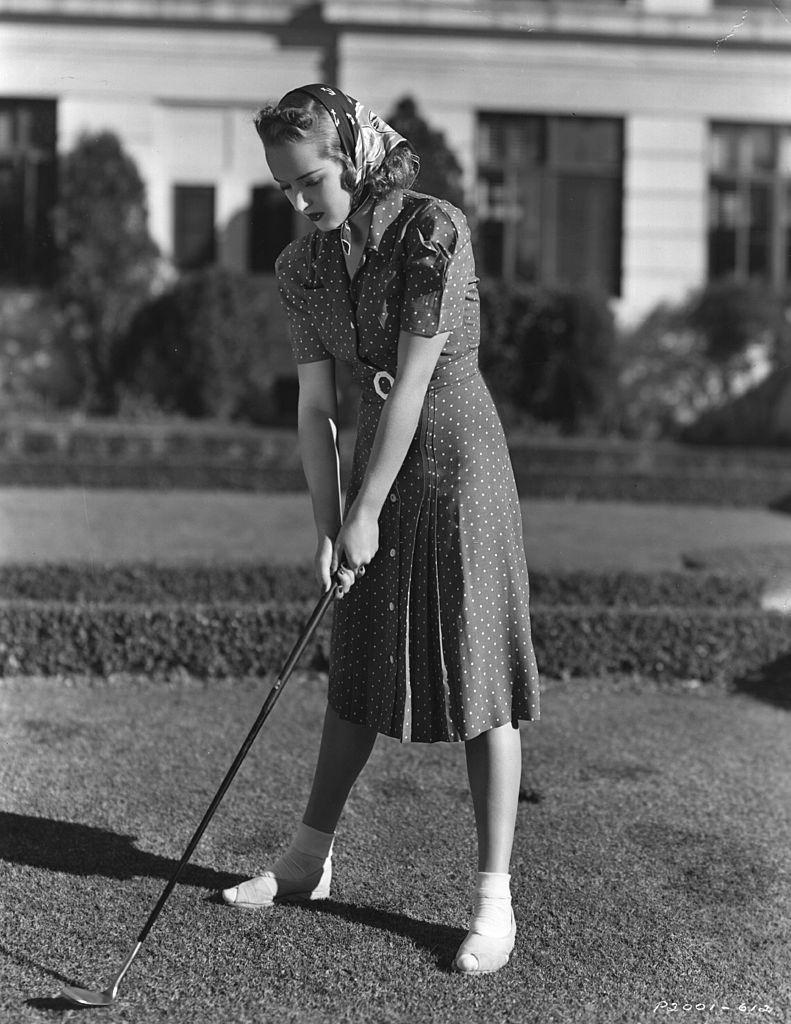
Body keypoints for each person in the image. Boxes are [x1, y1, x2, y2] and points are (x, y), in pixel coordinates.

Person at [221, 83, 541, 976]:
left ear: (356, 157)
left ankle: (492, 901)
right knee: (357, 668)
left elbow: (411, 381)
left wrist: (364, 511)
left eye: (310, 180)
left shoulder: (432, 231)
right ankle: (306, 862)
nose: (298, 201)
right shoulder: (304, 269)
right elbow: (317, 405)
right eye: (283, 188)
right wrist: (332, 523)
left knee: (480, 678)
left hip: (457, 463)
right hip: (375, 463)